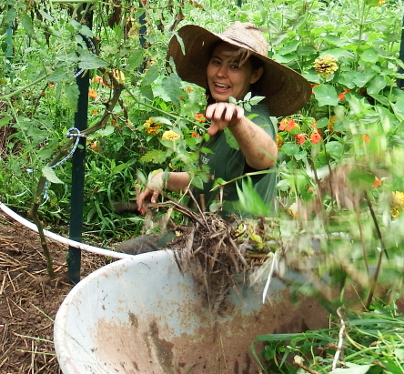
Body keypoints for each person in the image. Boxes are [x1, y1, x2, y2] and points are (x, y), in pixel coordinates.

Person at [116, 22, 312, 255]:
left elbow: (264, 157)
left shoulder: (254, 120)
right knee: (123, 254)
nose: (221, 73)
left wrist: (237, 121)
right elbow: (209, 177)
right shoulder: (223, 113)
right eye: (217, 62)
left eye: (235, 66)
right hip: (201, 237)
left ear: (255, 74)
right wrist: (163, 179)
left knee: (124, 258)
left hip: (233, 250)